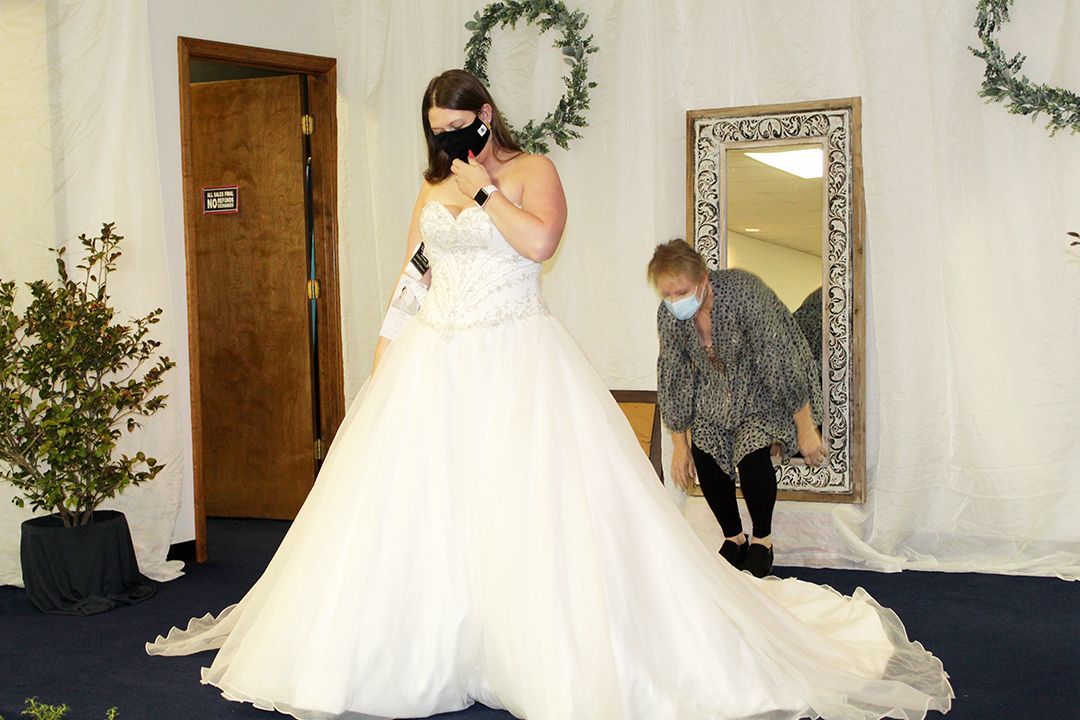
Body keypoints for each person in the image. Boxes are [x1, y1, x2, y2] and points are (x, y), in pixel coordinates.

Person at [147, 70, 952, 720]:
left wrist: (485, 188)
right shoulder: (430, 193)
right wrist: (384, 360)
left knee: (533, 508)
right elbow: (412, 278)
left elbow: (541, 241)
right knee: (421, 510)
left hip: (517, 359)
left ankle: (543, 649)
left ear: (485, 116)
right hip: (436, 360)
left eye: (454, 125)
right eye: (432, 130)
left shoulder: (532, 173)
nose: (444, 139)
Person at [650, 240, 824, 578]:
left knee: (751, 454)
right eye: (666, 294)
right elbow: (674, 374)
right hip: (716, 394)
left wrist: (805, 426)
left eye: (681, 291)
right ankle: (735, 538)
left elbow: (780, 359)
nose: (674, 302)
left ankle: (762, 540)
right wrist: (679, 445)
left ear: (703, 279)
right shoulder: (669, 317)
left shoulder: (744, 293)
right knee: (705, 449)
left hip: (762, 387)